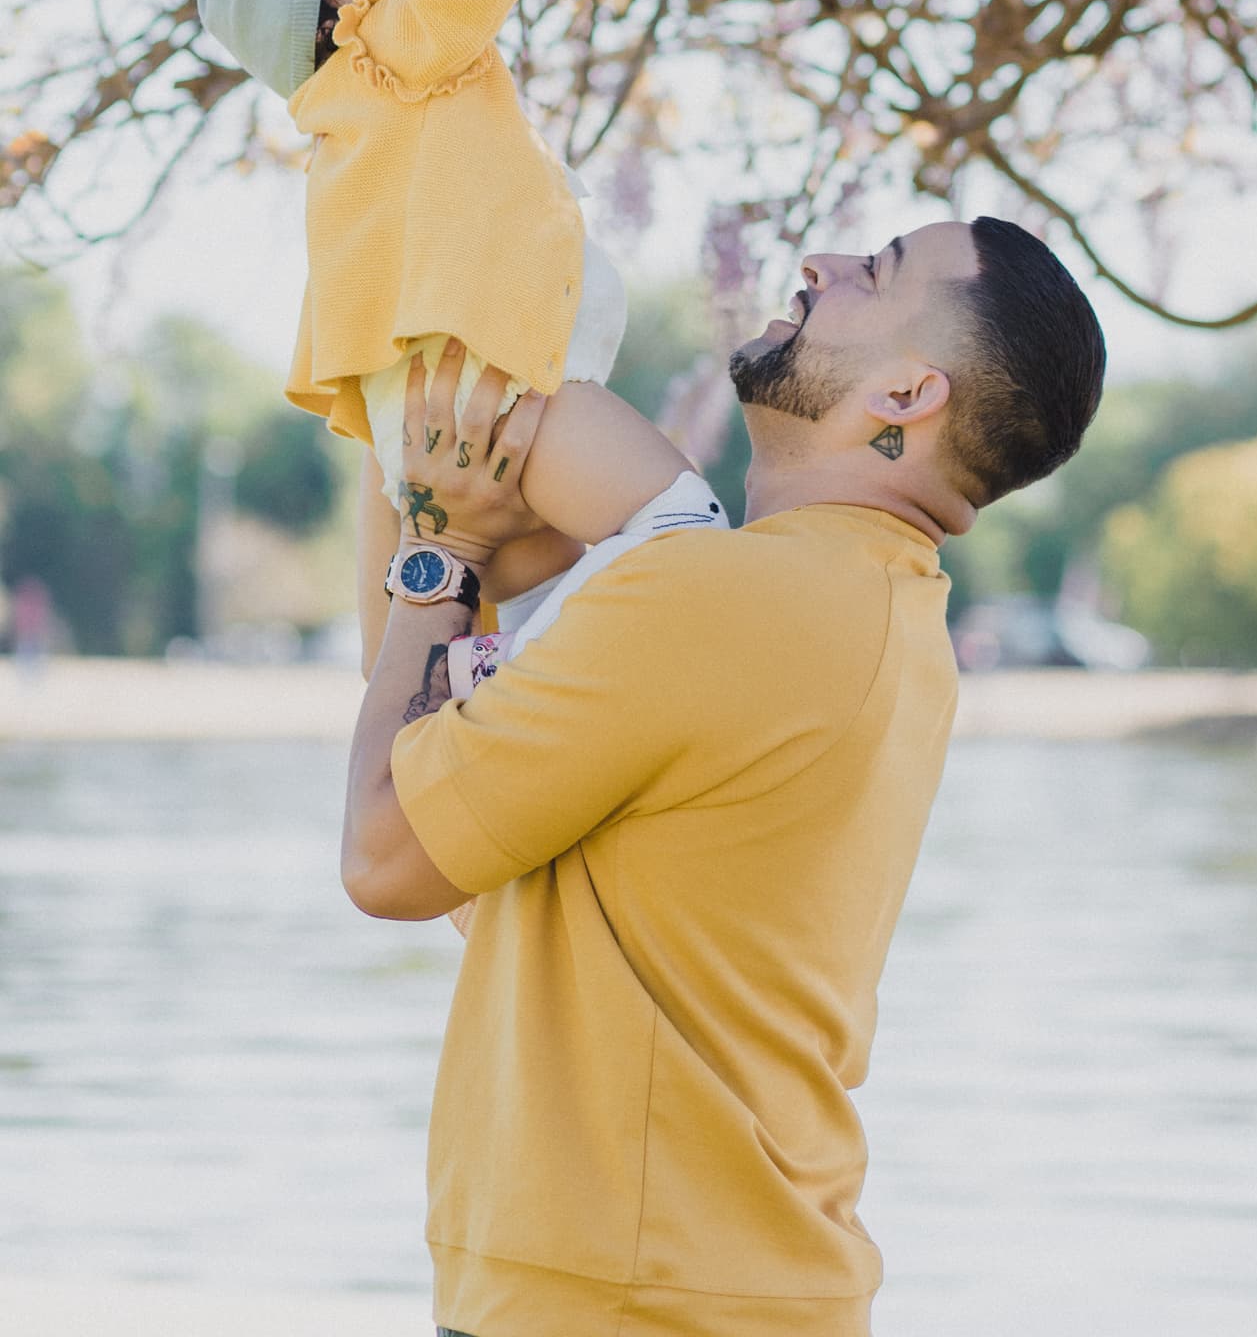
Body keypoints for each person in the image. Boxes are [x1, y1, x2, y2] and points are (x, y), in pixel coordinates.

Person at [342, 211, 1107, 1337]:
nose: (822, 265)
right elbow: (488, 871)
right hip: (685, 1282)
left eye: (875, 272)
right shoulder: (880, 613)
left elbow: (388, 858)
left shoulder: (726, 601)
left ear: (907, 395)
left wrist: (436, 559)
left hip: (627, 1298)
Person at [194, 0, 724, 685]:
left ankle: (477, 703)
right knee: (685, 523)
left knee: (459, 647)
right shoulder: (389, 41)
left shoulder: (348, 123)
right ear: (330, 12)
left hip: (438, 445)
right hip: (506, 401)